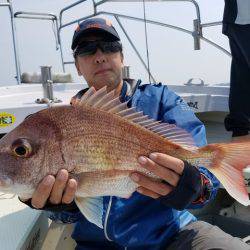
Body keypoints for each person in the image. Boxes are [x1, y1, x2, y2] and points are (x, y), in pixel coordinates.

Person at [21, 18, 250, 249]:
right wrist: (63, 206)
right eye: (87, 50)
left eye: (109, 46)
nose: (100, 55)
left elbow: (205, 184)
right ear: (77, 66)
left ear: (121, 56)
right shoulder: (62, 121)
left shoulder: (161, 100)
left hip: (172, 235)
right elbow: (71, 214)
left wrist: (193, 186)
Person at [223, 0, 250, 141]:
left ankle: (240, 133)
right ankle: (240, 132)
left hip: (237, 19)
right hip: (242, 17)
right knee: (241, 75)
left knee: (242, 76)